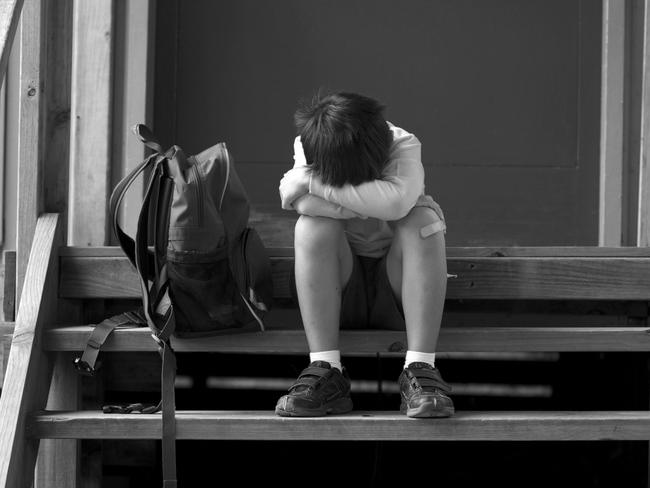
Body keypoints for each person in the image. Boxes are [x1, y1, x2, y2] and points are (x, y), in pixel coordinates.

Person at [276, 91, 453, 418]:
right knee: (312, 226)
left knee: (423, 220)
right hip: (340, 289)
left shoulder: (402, 144)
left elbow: (397, 205)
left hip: (398, 288)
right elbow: (293, 197)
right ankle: (326, 368)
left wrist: (320, 186)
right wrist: (371, 200)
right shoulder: (311, 142)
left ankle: (421, 370)